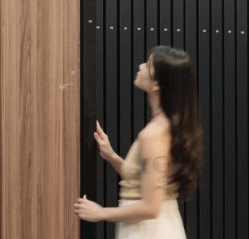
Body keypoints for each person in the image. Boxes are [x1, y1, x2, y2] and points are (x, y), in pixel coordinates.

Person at [73, 46, 204, 236]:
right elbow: (145, 181)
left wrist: (100, 212)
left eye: (148, 65)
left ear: (157, 85)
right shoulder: (167, 126)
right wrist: (111, 156)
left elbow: (150, 208)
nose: (141, 66)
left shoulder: (153, 134)